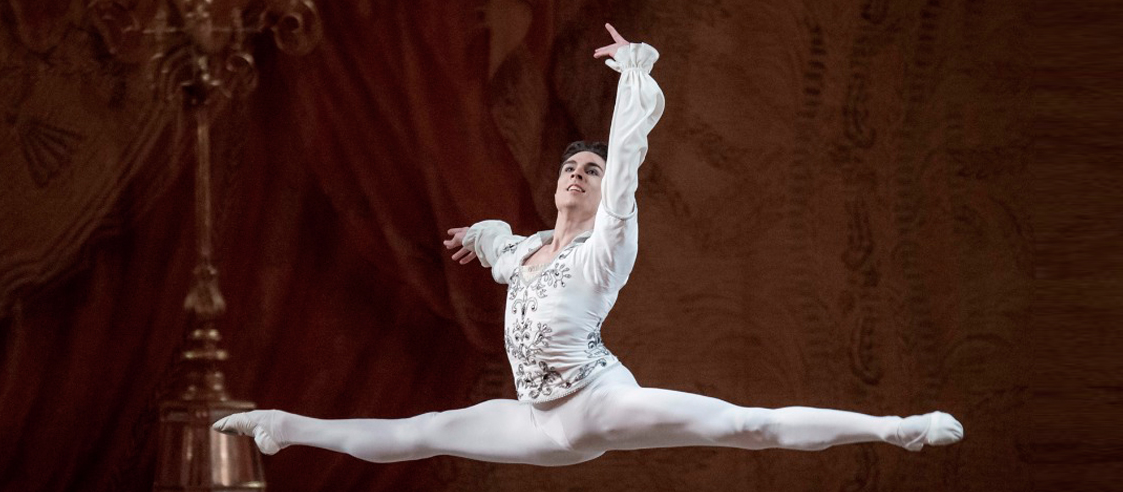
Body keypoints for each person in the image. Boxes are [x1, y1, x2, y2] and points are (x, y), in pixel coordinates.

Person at [213, 24, 964, 466]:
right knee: (422, 433)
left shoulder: (606, 245)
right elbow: (501, 243)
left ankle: (896, 429)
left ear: (604, 195)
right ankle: (282, 429)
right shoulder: (530, 251)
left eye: (590, 170)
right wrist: (478, 235)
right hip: (536, 421)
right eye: (570, 166)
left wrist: (636, 73)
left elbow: (628, 158)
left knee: (748, 425)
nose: (578, 172)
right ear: (556, 185)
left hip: (598, 404)